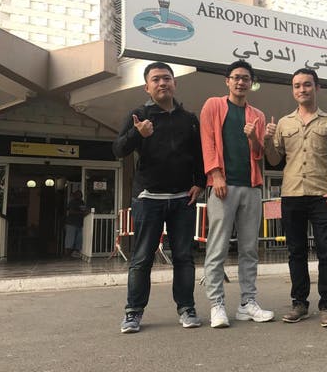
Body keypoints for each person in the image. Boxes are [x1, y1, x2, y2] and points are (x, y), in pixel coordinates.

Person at [113, 61, 206, 333]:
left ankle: (186, 308)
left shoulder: (189, 119)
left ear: (175, 83)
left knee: (184, 257)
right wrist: (137, 133)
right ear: (147, 87)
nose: (162, 83)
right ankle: (133, 312)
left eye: (166, 78)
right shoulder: (138, 115)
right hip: (148, 198)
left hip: (183, 199)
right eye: (156, 79)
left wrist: (200, 183)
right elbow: (118, 149)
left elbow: (199, 154)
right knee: (142, 258)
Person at [264, 68, 327, 328]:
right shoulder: (284, 123)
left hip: (322, 194)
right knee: (295, 252)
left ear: (317, 88)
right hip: (292, 195)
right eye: (297, 86)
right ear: (293, 90)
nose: (302, 89)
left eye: (307, 84)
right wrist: (266, 140)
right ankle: (299, 302)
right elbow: (274, 160)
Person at [200, 60, 274, 328]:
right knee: (217, 247)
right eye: (236, 77)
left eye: (246, 78)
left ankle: (247, 303)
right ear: (227, 81)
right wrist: (216, 174)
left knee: (249, 249)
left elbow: (259, 154)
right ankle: (216, 304)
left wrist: (255, 137)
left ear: (251, 83)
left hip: (251, 187)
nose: (241, 82)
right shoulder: (213, 105)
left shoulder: (258, 115)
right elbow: (207, 141)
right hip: (223, 186)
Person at [64, 190, 87, 258]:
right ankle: (67, 254)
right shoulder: (72, 202)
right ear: (75, 195)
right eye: (78, 194)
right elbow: (71, 212)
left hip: (79, 224)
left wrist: (86, 212)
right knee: (70, 240)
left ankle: (75, 253)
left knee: (79, 240)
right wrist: (82, 213)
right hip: (71, 223)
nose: (80, 195)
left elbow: (84, 210)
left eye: (81, 194)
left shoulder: (82, 202)